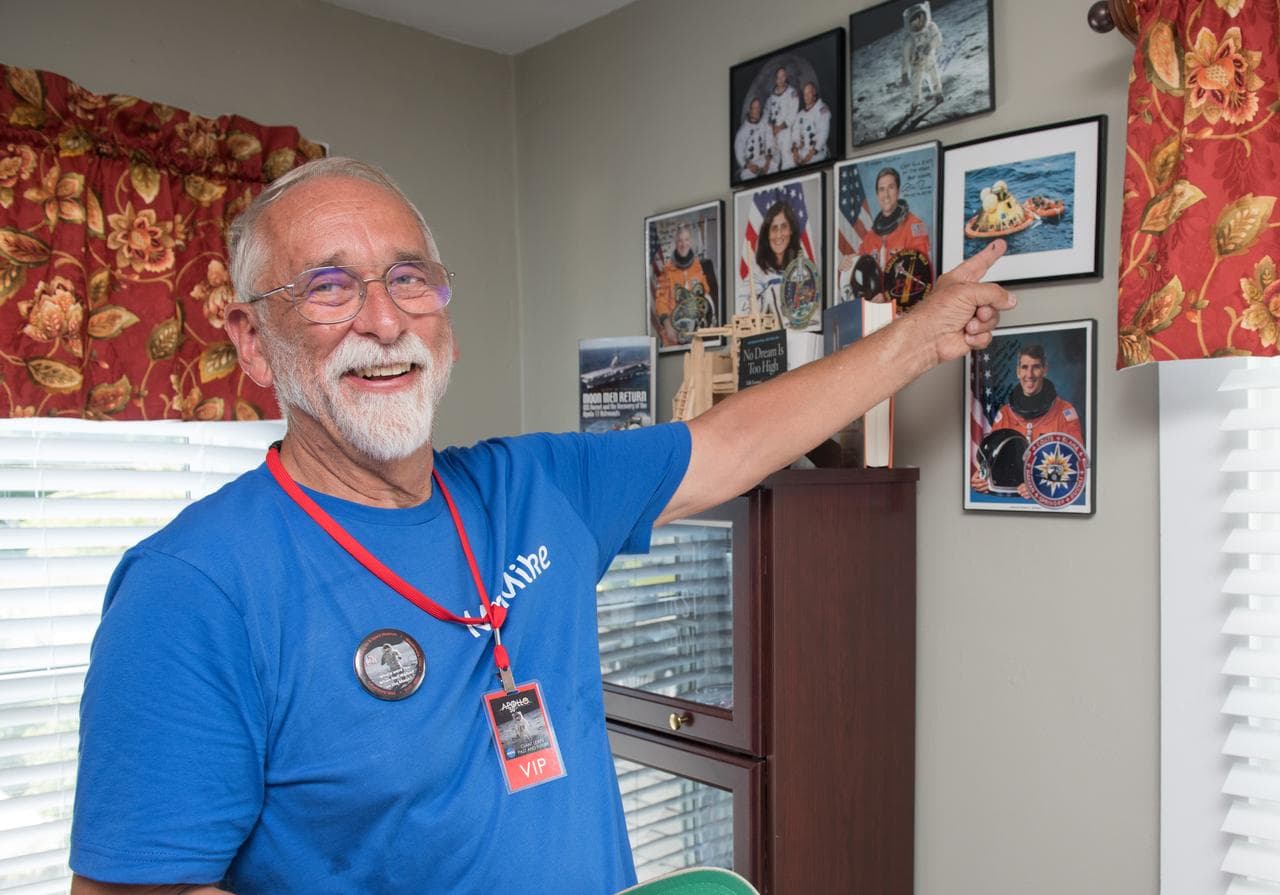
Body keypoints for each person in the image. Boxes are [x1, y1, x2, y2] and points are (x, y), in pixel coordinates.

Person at [68, 157, 1014, 895]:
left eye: (409, 279)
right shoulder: (191, 589)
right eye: (327, 286)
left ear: (445, 316)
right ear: (250, 343)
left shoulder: (536, 486)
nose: (383, 319)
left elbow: (733, 443)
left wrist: (922, 335)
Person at [970, 344, 1083, 497]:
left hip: (1049, 501)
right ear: (1018, 372)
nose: (1029, 374)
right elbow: (991, 457)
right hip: (1010, 497)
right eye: (1024, 367)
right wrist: (982, 477)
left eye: (1036, 367)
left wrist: (1040, 484)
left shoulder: (1064, 411)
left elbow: (1077, 464)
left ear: (1045, 369)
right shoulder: (1005, 413)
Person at [838, 166, 932, 307]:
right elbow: (861, 270)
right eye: (881, 189)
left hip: (907, 310)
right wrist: (846, 266)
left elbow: (921, 274)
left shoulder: (914, 227)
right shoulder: (870, 237)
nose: (886, 195)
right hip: (875, 311)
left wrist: (888, 297)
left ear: (898, 191)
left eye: (891, 187)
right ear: (877, 195)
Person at [652, 223, 718, 347]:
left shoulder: (698, 267)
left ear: (691, 241)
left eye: (686, 239)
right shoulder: (666, 271)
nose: (683, 244)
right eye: (680, 240)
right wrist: (667, 325)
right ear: (676, 243)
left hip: (695, 335)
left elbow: (705, 294)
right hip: (673, 335)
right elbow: (660, 302)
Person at [901, 2, 944, 110]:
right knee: (916, 83)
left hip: (929, 59)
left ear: (924, 16)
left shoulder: (930, 27)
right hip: (916, 64)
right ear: (909, 23)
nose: (918, 23)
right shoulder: (909, 39)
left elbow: (938, 38)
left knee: (934, 76)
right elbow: (905, 58)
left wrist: (930, 45)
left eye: (920, 19)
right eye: (914, 22)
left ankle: (938, 94)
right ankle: (915, 103)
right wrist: (904, 74)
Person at [763, 66, 798, 172]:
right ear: (775, 79)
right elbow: (766, 112)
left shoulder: (792, 93)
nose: (780, 79)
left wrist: (780, 127)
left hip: (785, 131)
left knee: (787, 160)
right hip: (773, 132)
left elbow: (793, 113)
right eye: (778, 77)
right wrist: (770, 127)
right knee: (773, 160)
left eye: (782, 76)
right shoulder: (771, 97)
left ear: (785, 77)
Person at [789, 82, 830, 168]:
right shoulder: (800, 114)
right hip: (803, 151)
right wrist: (795, 151)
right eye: (805, 94)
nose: (806, 96)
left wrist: (812, 153)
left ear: (814, 93)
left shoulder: (822, 109)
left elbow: (823, 132)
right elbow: (795, 133)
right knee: (789, 162)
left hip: (817, 151)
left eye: (809, 93)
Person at [733, 97, 772, 182]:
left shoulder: (764, 125)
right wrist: (749, 166)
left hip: (764, 161)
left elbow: (770, 142)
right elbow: (739, 153)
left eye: (758, 108)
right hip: (750, 165)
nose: (757, 111)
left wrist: (767, 163)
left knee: (774, 170)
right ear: (750, 110)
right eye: (754, 108)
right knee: (747, 177)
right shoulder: (742, 131)